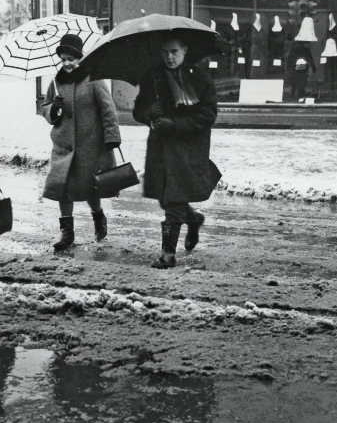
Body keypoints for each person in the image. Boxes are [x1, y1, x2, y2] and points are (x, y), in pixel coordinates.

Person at [133, 32, 222, 269]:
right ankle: (193, 220)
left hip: (188, 149)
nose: (169, 57)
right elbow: (138, 111)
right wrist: (150, 112)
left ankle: (167, 255)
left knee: (174, 201)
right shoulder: (152, 77)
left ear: (184, 50)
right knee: (165, 199)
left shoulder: (200, 78)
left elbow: (208, 114)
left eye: (174, 51)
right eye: (165, 52)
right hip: (160, 149)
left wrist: (175, 124)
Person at [41, 33, 121, 250]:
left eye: (71, 59)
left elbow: (108, 110)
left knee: (90, 189)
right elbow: (45, 107)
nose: (66, 63)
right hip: (63, 146)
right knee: (62, 187)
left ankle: (98, 216)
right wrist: (53, 108)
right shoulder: (56, 82)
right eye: (63, 59)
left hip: (90, 146)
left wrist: (112, 137)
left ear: (80, 58)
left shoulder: (94, 78)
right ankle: (67, 235)